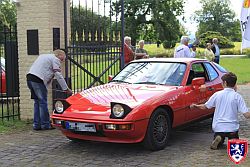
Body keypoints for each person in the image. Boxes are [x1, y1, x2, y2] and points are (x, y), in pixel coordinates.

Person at [190, 72, 250, 150]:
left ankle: (219, 138)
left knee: (219, 137)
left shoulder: (217, 94)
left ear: (225, 83)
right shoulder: (237, 97)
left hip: (218, 126)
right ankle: (233, 141)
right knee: (234, 141)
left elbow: (205, 106)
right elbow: (247, 115)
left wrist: (195, 105)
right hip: (232, 127)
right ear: (235, 84)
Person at [26, 49, 72, 130]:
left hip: (30, 78)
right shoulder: (55, 59)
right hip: (38, 80)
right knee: (43, 102)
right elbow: (58, 75)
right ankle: (45, 124)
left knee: (37, 102)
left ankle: (37, 125)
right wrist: (66, 88)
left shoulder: (44, 56)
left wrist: (45, 89)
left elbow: (47, 75)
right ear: (59, 55)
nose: (63, 60)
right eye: (63, 57)